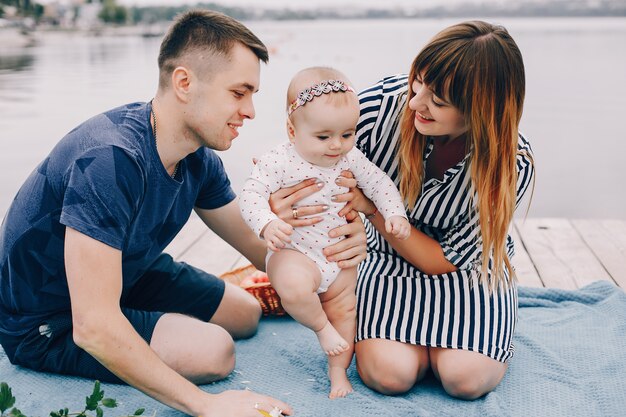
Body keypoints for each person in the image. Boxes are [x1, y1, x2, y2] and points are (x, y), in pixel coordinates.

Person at [0, 10, 367, 417]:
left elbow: (257, 247)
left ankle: (145, 324)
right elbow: (93, 326)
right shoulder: (111, 159)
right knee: (213, 352)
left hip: (127, 270)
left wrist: (327, 250)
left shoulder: (197, 157)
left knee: (244, 313)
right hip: (47, 318)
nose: (251, 111)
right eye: (239, 92)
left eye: (253, 96)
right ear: (184, 83)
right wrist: (206, 406)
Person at [330, 21, 535, 399]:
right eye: (417, 82)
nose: (415, 102)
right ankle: (423, 350)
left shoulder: (512, 164)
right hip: (388, 258)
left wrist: (372, 211)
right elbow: (316, 151)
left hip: (466, 270)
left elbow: (442, 261)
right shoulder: (378, 108)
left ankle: (446, 349)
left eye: (437, 100)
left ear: (481, 110)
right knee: (389, 375)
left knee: (466, 380)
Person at [240, 67, 410, 399]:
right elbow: (251, 194)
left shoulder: (351, 157)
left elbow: (379, 183)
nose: (337, 145)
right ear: (292, 131)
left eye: (347, 134)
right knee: (292, 286)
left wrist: (394, 213)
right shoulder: (278, 161)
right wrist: (266, 222)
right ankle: (321, 328)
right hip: (296, 252)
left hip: (338, 256)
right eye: (323, 137)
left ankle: (337, 373)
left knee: (347, 312)